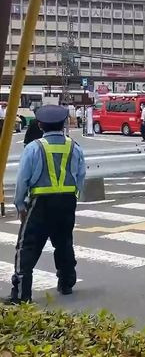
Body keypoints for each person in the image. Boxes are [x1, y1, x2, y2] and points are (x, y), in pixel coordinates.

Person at [5, 105, 86, 304]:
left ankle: (22, 293)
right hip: (67, 201)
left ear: (40, 125)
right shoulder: (74, 147)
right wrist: (74, 195)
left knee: (27, 246)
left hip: (41, 202)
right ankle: (66, 283)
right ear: (64, 123)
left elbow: (22, 179)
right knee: (64, 241)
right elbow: (81, 176)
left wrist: (20, 205)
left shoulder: (34, 147)